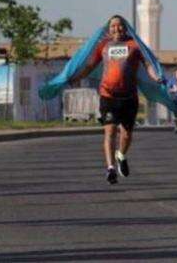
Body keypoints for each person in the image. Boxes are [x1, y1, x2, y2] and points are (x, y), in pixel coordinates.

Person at [67, 15, 165, 184]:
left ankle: (121, 155)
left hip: (129, 97)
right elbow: (90, 65)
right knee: (110, 131)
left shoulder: (135, 45)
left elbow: (148, 65)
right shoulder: (103, 45)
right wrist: (77, 77)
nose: (116, 29)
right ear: (108, 28)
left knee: (126, 134)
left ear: (125, 28)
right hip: (108, 96)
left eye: (120, 26)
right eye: (113, 26)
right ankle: (110, 168)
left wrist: (155, 77)